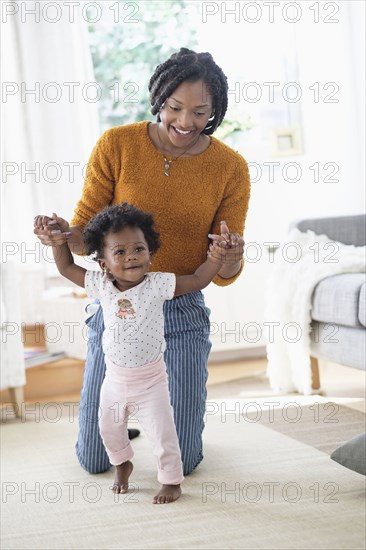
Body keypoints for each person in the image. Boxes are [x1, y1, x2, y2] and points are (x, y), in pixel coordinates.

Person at [33, 47, 251, 477]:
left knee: (184, 463)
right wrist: (60, 234)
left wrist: (229, 257)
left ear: (216, 110)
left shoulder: (230, 167)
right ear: (158, 98)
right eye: (174, 108)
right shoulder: (117, 145)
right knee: (94, 461)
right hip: (117, 308)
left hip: (180, 311)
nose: (185, 122)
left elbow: (224, 273)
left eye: (200, 112)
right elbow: (84, 240)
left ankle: (159, 420)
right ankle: (129, 421)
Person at [42, 202, 234, 503]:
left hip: (151, 384)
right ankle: (123, 464)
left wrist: (217, 256)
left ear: (150, 252)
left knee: (164, 435)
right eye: (119, 252)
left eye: (138, 249)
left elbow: (198, 279)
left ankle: (171, 481)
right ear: (103, 263)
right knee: (108, 430)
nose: (131, 256)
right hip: (114, 382)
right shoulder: (100, 285)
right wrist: (57, 243)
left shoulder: (158, 284)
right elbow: (66, 267)